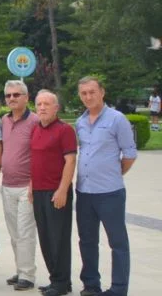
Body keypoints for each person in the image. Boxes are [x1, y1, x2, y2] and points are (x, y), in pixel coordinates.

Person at [75, 76, 136, 296]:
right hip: (84, 192)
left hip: (110, 193)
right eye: (84, 93)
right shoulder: (80, 122)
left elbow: (129, 154)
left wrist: (113, 174)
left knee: (117, 243)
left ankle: (118, 289)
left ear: (102, 92)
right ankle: (91, 285)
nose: (88, 97)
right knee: (87, 241)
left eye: (92, 92)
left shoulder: (117, 119)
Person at [31, 90, 77, 296]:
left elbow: (70, 161)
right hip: (38, 191)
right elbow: (35, 160)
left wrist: (62, 190)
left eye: (47, 104)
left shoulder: (64, 130)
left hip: (56, 191)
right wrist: (31, 186)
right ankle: (56, 279)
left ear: (56, 108)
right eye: (39, 104)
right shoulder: (35, 129)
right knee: (45, 238)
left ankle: (61, 282)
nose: (42, 108)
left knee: (59, 238)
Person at [0, 80, 37, 291]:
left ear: (26, 97)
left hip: (26, 187)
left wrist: (33, 183)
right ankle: (21, 269)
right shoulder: (4, 120)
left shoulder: (35, 121)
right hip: (7, 185)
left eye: (16, 94)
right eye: (8, 95)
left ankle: (28, 275)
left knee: (25, 232)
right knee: (14, 233)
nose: (12, 98)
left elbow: (39, 154)